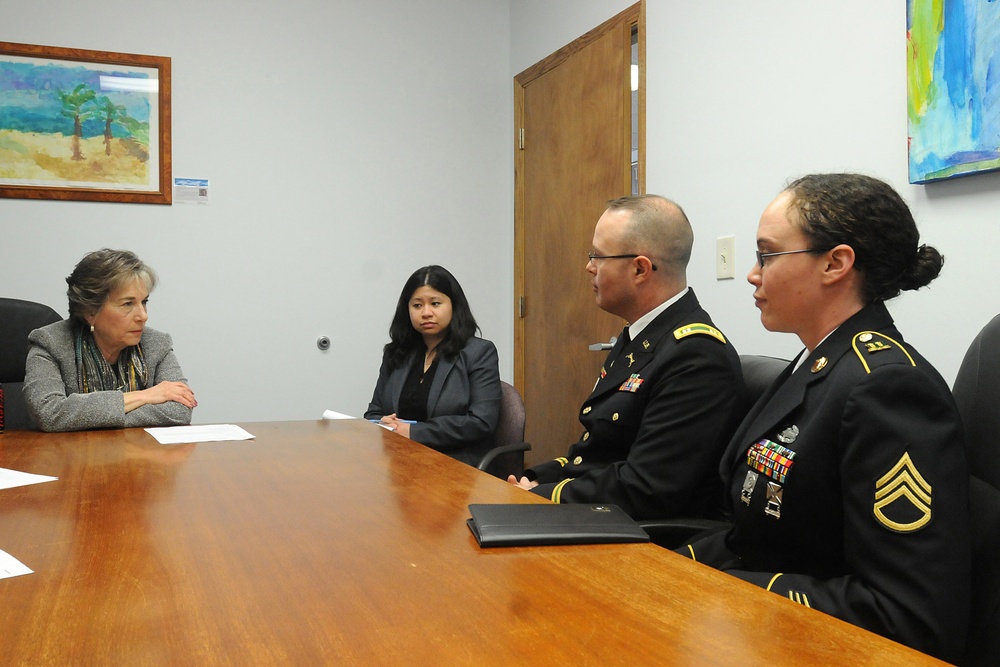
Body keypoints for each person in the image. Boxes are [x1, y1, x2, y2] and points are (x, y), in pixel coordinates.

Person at [678, 174, 971, 662]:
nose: (753, 274)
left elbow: (908, 617)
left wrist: (726, 590)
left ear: (836, 263)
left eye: (767, 255)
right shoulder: (818, 363)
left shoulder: (887, 387)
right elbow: (746, 535)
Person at [508, 195, 745, 520]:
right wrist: (538, 477)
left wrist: (543, 497)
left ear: (640, 269)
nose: (589, 266)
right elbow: (598, 454)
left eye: (599, 256)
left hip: (642, 540)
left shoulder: (697, 356)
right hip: (602, 514)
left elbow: (647, 488)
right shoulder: (638, 337)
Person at [23, 249, 197, 433]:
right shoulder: (50, 343)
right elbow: (50, 413)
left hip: (139, 455)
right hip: (71, 458)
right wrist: (144, 396)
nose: (143, 316)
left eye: (144, 302)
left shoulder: (156, 343)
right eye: (128, 304)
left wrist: (87, 416)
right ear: (90, 311)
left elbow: (180, 409)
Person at [365, 265, 501, 467]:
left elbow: (481, 422)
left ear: (454, 306)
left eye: (435, 303)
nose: (426, 312)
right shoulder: (396, 353)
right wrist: (383, 424)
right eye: (417, 305)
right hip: (398, 461)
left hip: (455, 464)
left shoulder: (478, 353)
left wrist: (414, 432)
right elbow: (373, 413)